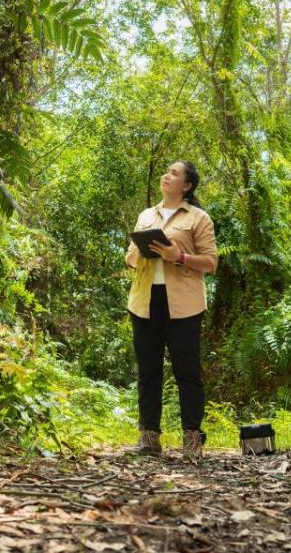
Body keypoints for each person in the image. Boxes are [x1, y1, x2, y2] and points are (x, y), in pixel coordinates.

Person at [124, 160, 219, 461]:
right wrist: (142, 249)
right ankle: (149, 438)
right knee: (148, 370)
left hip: (185, 304)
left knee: (187, 371)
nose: (167, 176)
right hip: (144, 301)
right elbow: (129, 260)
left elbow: (211, 262)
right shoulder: (146, 215)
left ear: (187, 186)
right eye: (167, 172)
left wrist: (176, 255)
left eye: (174, 174)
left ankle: (193, 439)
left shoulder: (198, 218)